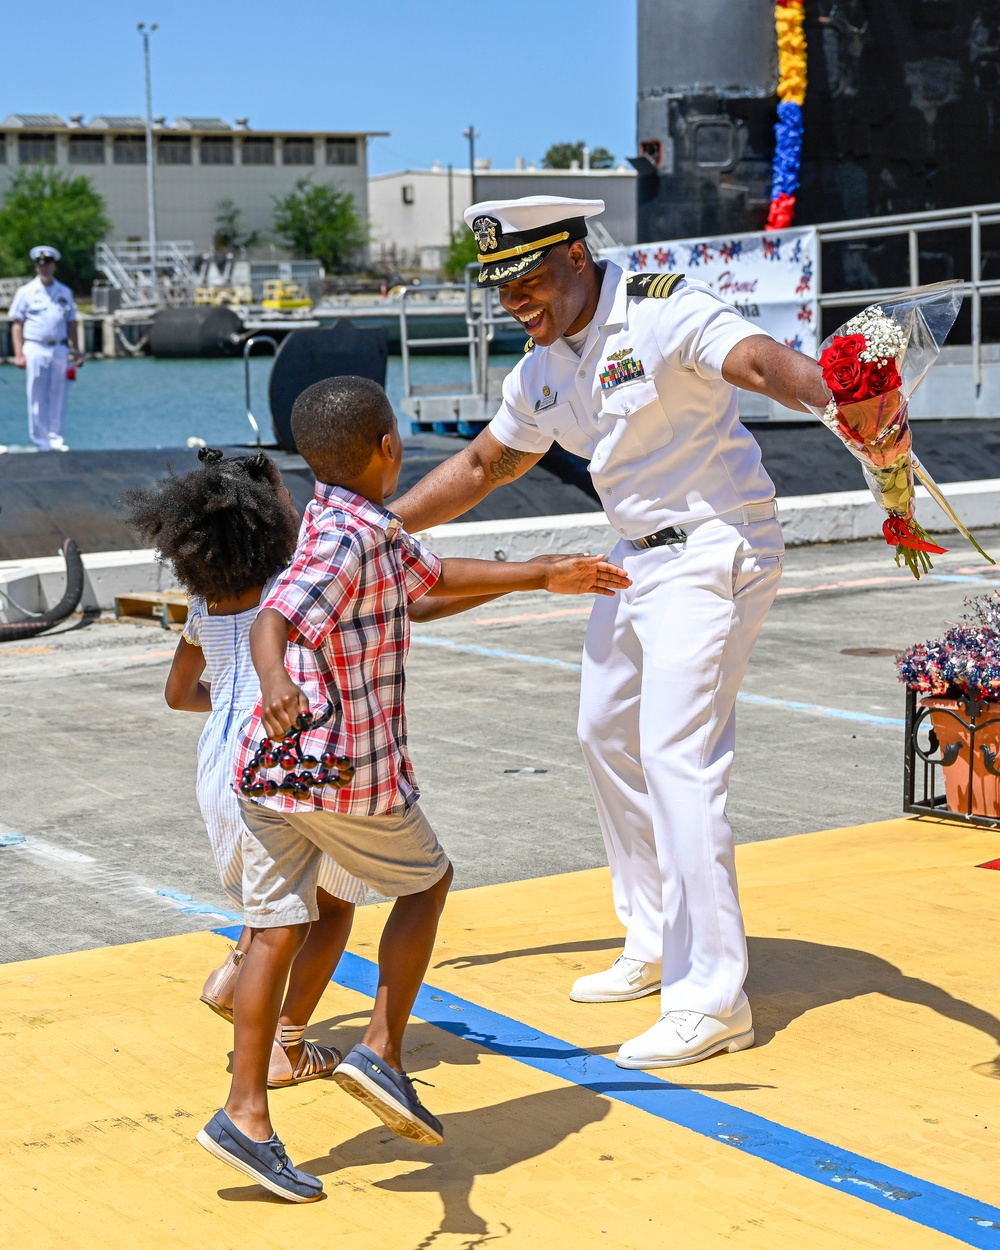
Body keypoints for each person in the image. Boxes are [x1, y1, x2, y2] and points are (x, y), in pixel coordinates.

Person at [391, 196, 831, 1071]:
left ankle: (712, 998)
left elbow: (755, 358)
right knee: (602, 735)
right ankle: (654, 936)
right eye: (501, 288)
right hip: (635, 556)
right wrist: (378, 532)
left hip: (715, 545)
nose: (516, 301)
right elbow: (484, 464)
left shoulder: (665, 307)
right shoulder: (545, 367)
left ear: (578, 255)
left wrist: (840, 398)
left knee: (677, 754)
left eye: (528, 280)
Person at [197, 374, 630, 1202]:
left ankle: (243, 1115)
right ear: (390, 447)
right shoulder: (348, 541)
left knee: (273, 932)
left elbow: (427, 579)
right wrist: (276, 677)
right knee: (427, 885)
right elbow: (272, 619)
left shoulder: (342, 519)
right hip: (337, 769)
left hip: (268, 777)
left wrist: (540, 573)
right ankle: (381, 1054)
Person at [121, 447, 368, 1089]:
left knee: (274, 900)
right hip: (273, 758)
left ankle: (234, 972)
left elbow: (178, 694)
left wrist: (229, 693)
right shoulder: (289, 592)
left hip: (216, 765)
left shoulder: (205, 608)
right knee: (333, 903)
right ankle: (285, 1045)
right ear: (270, 521)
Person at [9, 246, 83, 452]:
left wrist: (76, 350)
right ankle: (40, 439)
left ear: (54, 266)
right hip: (35, 347)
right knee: (36, 393)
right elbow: (17, 324)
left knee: (58, 393)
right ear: (36, 266)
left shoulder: (64, 292)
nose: (45, 268)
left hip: (59, 347)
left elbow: (71, 323)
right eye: (41, 265)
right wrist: (18, 354)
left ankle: (56, 437)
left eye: (48, 264)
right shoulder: (26, 292)